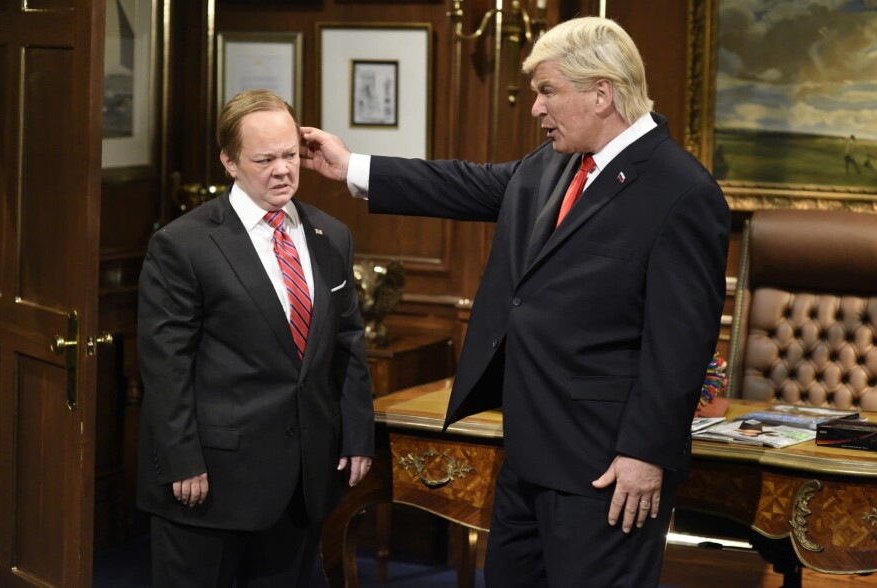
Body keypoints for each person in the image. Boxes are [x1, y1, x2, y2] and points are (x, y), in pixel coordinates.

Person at [301, 15, 730, 587]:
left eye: (547, 91)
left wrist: (645, 456)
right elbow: (465, 184)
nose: (536, 109)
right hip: (527, 454)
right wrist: (351, 166)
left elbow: (681, 344)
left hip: (606, 470)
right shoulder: (552, 164)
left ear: (602, 93)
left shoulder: (682, 192)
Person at [136, 89, 374, 586]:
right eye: (264, 159)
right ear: (229, 161)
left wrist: (356, 433)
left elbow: (348, 342)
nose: (282, 169)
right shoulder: (182, 245)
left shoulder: (331, 235)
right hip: (210, 483)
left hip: (304, 480)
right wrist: (182, 460)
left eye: (290, 155)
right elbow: (166, 365)